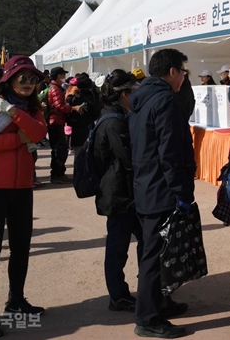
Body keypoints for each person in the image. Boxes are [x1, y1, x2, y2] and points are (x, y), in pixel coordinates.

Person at [0, 56, 48, 339]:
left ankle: (16, 301)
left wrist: (14, 114)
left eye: (32, 79)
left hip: (22, 188)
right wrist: (18, 139)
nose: (28, 84)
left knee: (21, 248)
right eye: (22, 78)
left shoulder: (32, 107)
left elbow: (39, 132)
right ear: (9, 79)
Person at [128, 49, 196, 339]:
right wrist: (182, 192)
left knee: (151, 252)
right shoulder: (166, 100)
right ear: (172, 71)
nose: (183, 77)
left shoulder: (140, 98)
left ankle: (158, 305)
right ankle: (147, 318)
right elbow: (170, 152)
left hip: (146, 186)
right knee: (154, 257)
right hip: (161, 189)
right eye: (183, 71)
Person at [93, 70, 142, 313]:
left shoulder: (115, 115)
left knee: (137, 240)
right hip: (119, 193)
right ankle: (118, 295)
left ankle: (140, 289)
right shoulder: (114, 122)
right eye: (134, 91)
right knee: (117, 247)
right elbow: (129, 159)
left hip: (121, 190)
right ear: (124, 94)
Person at [47, 66, 83, 184]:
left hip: (56, 121)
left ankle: (58, 173)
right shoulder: (56, 89)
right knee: (59, 149)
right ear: (59, 76)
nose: (64, 77)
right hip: (56, 122)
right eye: (63, 75)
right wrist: (73, 108)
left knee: (59, 149)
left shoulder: (54, 87)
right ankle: (57, 174)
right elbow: (59, 106)